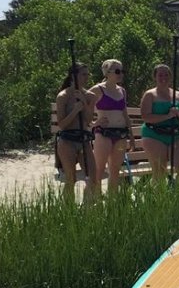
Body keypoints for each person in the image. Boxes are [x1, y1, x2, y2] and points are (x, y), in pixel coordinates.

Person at [90, 59, 134, 193]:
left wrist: (131, 136)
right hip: (103, 133)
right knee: (99, 168)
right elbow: (82, 110)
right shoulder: (97, 90)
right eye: (117, 71)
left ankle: (112, 201)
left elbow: (125, 115)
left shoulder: (122, 91)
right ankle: (95, 198)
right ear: (107, 73)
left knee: (115, 169)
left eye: (122, 71)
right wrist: (93, 123)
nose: (121, 74)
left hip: (120, 134)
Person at [140, 64, 179, 179]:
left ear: (171, 76)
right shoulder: (150, 95)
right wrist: (167, 116)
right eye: (160, 75)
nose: (164, 77)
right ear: (155, 77)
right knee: (159, 170)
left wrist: (178, 113)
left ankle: (178, 191)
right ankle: (158, 194)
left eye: (166, 74)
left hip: (176, 134)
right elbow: (145, 116)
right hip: (154, 134)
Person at [54, 64, 96, 200]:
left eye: (87, 74)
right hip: (67, 140)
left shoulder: (89, 95)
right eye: (83, 74)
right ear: (73, 76)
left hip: (84, 140)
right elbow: (62, 124)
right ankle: (68, 210)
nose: (86, 77)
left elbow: (89, 120)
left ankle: (87, 208)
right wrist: (75, 110)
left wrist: (84, 103)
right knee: (70, 178)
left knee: (92, 178)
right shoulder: (63, 96)